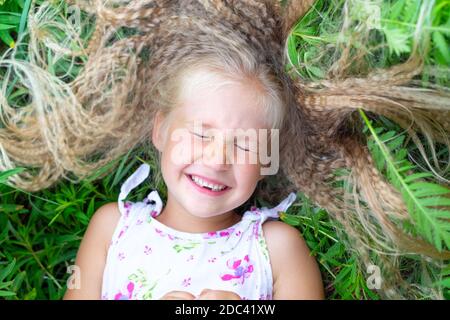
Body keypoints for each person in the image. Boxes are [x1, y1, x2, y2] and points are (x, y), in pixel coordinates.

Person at [1, 0, 449, 299]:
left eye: (245, 143)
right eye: (199, 132)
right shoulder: (111, 228)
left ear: (269, 157)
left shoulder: (278, 250)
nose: (217, 158)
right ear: (160, 129)